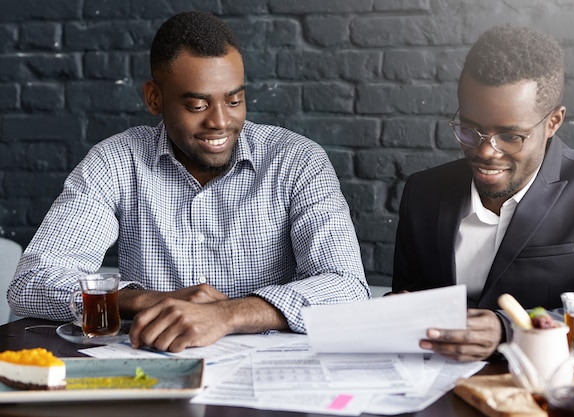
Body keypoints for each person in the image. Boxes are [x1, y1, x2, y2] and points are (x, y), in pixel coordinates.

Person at [8, 11, 369, 352]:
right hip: (158, 373)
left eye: (234, 100)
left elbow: (348, 287)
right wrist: (146, 300)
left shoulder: (297, 160)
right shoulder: (115, 162)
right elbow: (32, 281)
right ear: (154, 98)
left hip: (269, 377)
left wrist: (228, 315)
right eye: (198, 106)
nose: (220, 121)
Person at [391, 25, 574, 362]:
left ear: (553, 122)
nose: (487, 152)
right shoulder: (423, 193)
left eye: (510, 136)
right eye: (470, 130)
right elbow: (409, 297)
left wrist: (510, 330)